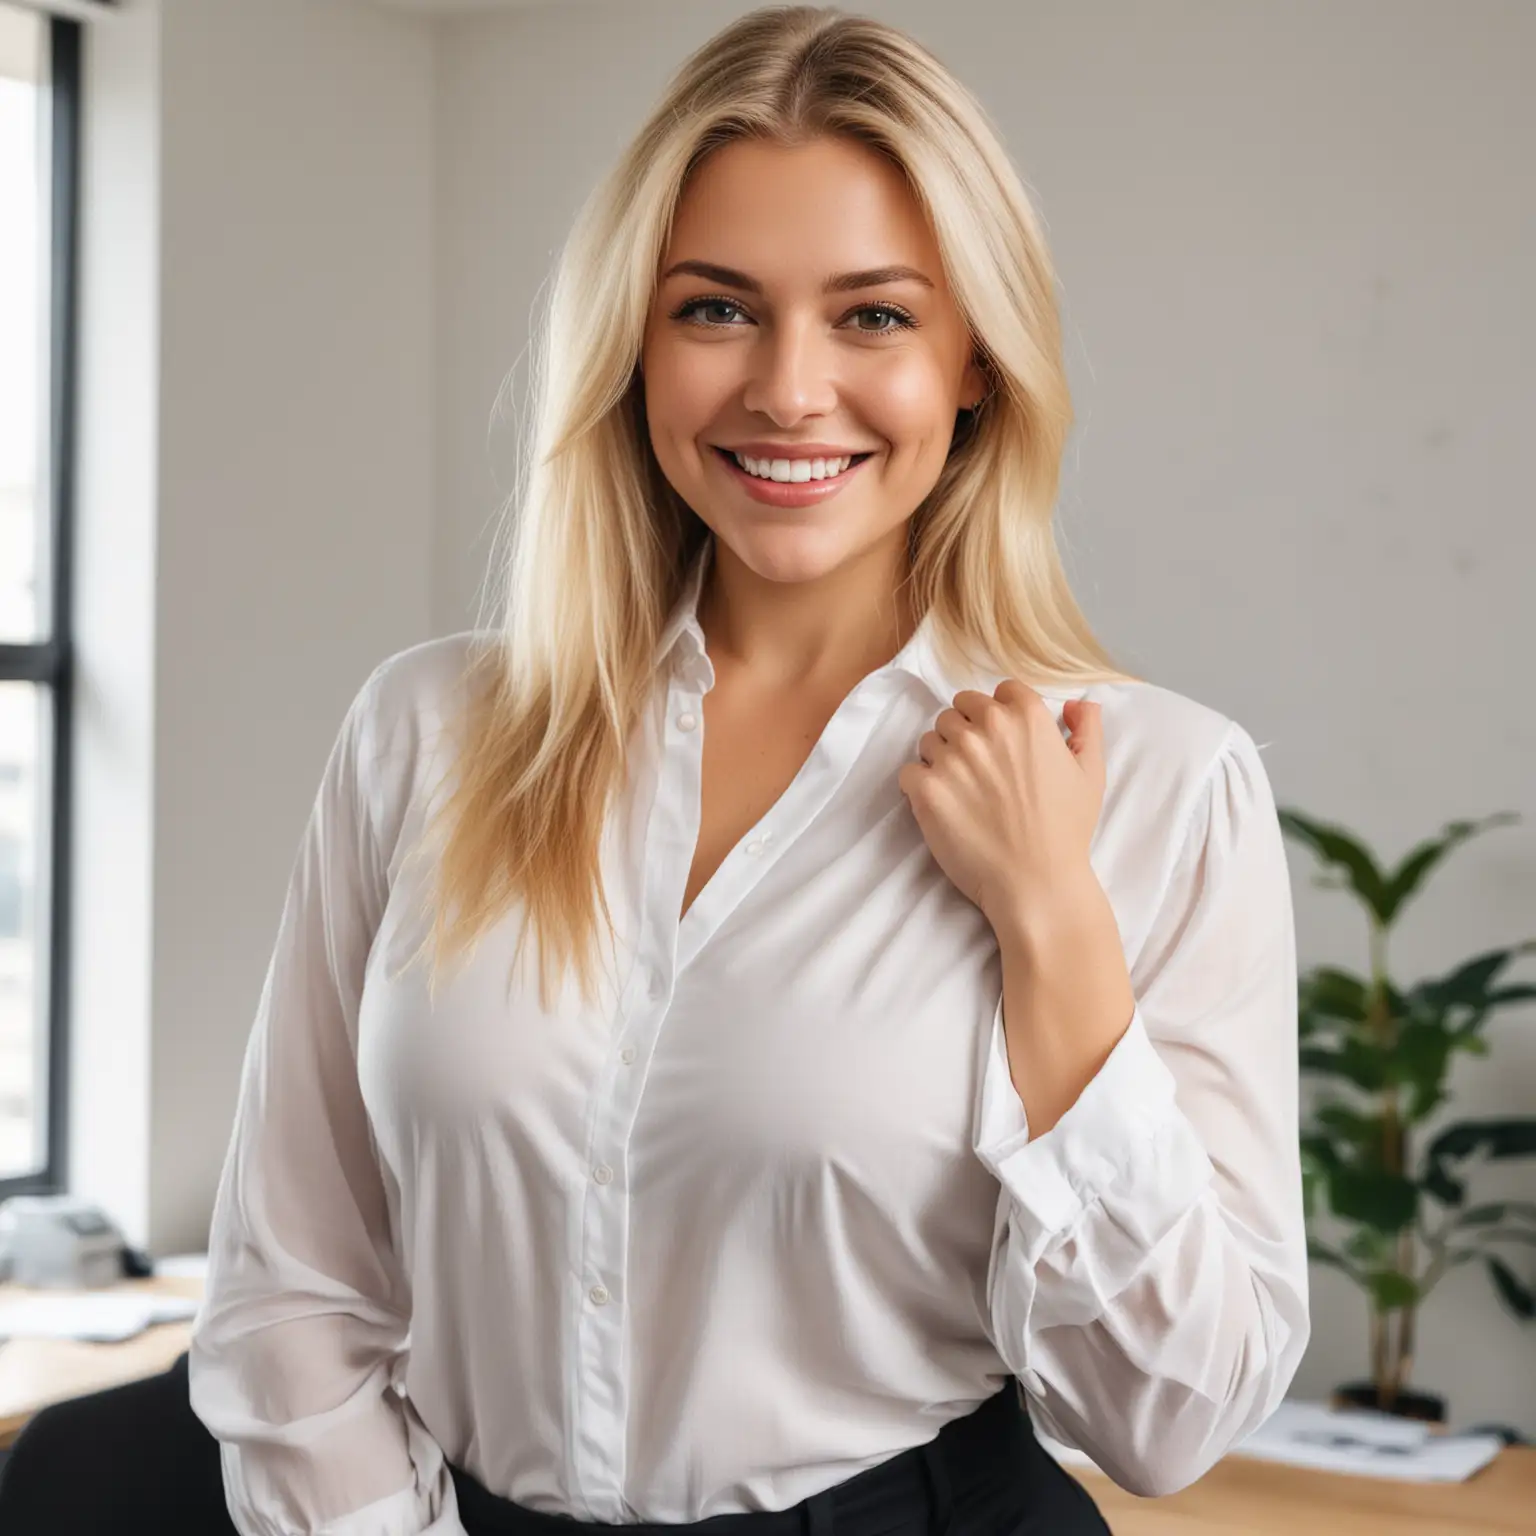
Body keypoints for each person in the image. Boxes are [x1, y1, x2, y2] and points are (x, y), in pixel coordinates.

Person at [180, 7, 1310, 1535]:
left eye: (873, 317)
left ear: (975, 358)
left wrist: (1052, 922)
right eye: (716, 310)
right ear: (633, 344)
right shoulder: (427, 731)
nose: (787, 389)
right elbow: (292, 1281)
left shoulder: (1165, 785)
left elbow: (1164, 1419)